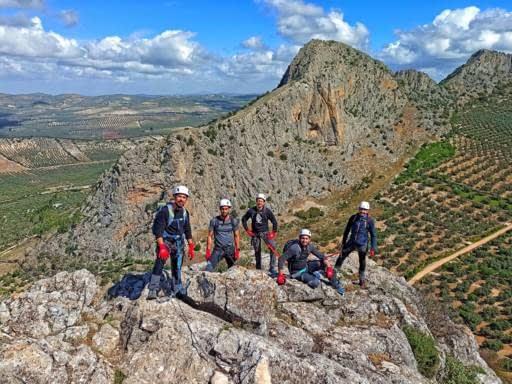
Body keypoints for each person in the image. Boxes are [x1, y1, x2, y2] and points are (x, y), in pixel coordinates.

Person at [147, 185, 195, 299]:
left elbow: (187, 230)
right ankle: (152, 289)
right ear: (174, 197)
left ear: (186, 199)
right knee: (159, 263)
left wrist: (191, 246)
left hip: (178, 243)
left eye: (184, 197)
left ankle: (177, 288)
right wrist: (162, 247)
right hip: (165, 242)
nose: (181, 199)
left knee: (177, 266)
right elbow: (158, 231)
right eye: (179, 196)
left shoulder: (184, 213)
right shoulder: (165, 211)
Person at [277, 229, 344, 295]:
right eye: (303, 238)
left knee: (330, 269)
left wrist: (328, 267)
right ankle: (310, 276)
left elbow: (321, 256)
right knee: (315, 282)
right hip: (297, 272)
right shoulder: (295, 248)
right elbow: (281, 259)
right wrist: (280, 274)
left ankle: (336, 285)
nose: (304, 240)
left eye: (306, 238)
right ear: (300, 238)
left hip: (306, 267)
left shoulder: (310, 246)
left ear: (309, 239)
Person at [335, 201, 377, 288]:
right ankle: (334, 273)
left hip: (362, 244)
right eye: (361, 209)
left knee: (362, 261)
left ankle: (362, 280)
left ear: (368, 210)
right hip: (351, 242)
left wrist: (373, 248)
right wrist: (343, 242)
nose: (362, 211)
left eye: (364, 210)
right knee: (341, 256)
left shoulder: (370, 221)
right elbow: (347, 230)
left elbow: (373, 235)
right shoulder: (353, 218)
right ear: (359, 209)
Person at [241, 193, 278, 275]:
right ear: (256, 201)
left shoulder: (267, 211)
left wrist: (273, 232)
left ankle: (272, 268)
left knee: (273, 247)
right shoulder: (251, 211)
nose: (259, 202)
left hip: (265, 233)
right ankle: (258, 268)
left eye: (261, 201)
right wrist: (247, 230)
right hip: (255, 234)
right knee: (257, 251)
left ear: (264, 202)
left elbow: (274, 221)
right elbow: (244, 219)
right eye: (258, 201)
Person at [205, 199, 240, 272]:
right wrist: (208, 251)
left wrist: (237, 250)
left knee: (233, 271)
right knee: (208, 268)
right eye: (222, 209)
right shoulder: (214, 221)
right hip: (218, 249)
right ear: (220, 209)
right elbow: (209, 236)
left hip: (230, 249)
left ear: (229, 209)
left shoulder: (233, 221)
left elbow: (236, 235)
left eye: (226, 209)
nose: (224, 211)